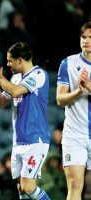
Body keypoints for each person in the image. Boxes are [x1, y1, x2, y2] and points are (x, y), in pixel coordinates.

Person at [0, 42, 51, 200]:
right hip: (18, 141)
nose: (8, 64)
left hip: (35, 139)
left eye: (11, 60)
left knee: (29, 187)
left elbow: (16, 91)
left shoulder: (39, 75)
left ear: (20, 60)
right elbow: (0, 103)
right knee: (21, 189)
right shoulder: (16, 78)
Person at [56, 21, 91, 200]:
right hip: (74, 134)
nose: (86, 41)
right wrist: (78, 90)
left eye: (90, 37)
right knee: (75, 185)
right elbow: (60, 100)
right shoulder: (68, 63)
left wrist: (88, 86)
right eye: (83, 37)